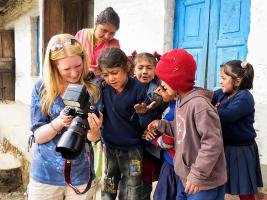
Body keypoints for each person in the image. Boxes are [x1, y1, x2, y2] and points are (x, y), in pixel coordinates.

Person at [28, 33, 103, 200]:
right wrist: (58, 123)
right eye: (66, 69)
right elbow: (38, 136)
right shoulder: (42, 88)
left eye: (78, 65)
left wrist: (94, 129)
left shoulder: (93, 86)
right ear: (54, 67)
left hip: (81, 173)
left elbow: (94, 138)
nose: (75, 73)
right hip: (45, 175)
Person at [147, 49, 227, 200]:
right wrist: (161, 125)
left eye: (165, 81)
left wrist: (197, 175)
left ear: (177, 80)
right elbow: (182, 129)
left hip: (203, 183)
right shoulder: (180, 101)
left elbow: (212, 143)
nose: (161, 84)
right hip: (186, 178)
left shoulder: (199, 106)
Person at [97, 47, 155, 200]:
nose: (110, 79)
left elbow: (146, 125)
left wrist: (143, 113)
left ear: (127, 67)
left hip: (133, 150)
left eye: (114, 73)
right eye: (106, 75)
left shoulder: (138, 90)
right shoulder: (103, 88)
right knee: (109, 180)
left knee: (132, 184)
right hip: (110, 147)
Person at [212, 60, 263, 200]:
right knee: (218, 184)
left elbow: (227, 116)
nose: (220, 82)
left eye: (223, 78)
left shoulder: (245, 97)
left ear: (237, 81)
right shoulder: (222, 94)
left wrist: (211, 111)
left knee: (244, 187)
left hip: (242, 150)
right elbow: (207, 95)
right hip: (225, 147)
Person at [132, 52, 164, 199]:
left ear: (155, 70)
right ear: (134, 70)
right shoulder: (127, 88)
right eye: (140, 67)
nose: (145, 72)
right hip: (131, 143)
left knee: (145, 180)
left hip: (149, 145)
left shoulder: (161, 90)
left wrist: (153, 128)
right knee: (131, 179)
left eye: (149, 68)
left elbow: (165, 115)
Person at [143, 83, 177, 200]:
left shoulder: (173, 112)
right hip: (171, 160)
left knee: (162, 196)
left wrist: (151, 139)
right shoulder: (172, 106)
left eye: (164, 89)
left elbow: (168, 141)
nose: (157, 91)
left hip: (172, 164)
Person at [75, 7, 120, 75]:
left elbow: (112, 68)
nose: (107, 36)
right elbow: (71, 58)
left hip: (102, 82)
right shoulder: (82, 35)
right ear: (96, 23)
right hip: (77, 77)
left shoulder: (114, 44)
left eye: (112, 33)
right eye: (104, 30)